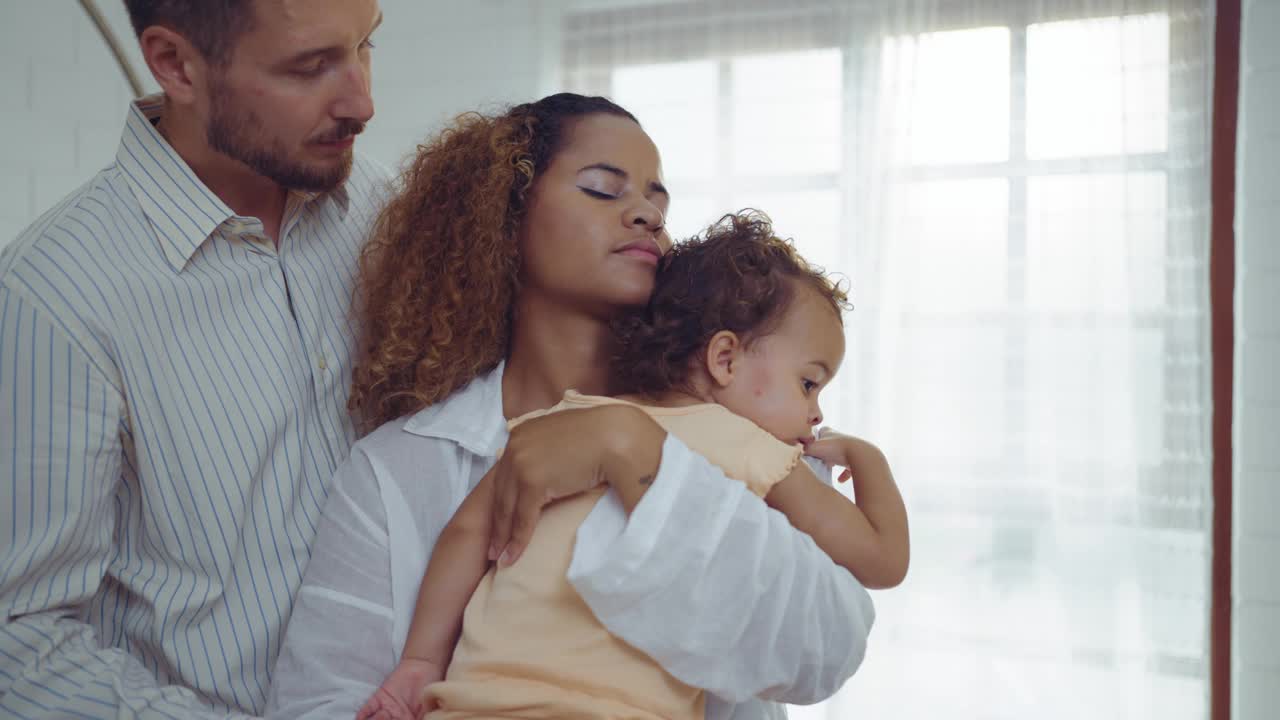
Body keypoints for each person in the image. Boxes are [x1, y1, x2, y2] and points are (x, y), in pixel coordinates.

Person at [266, 93, 878, 720]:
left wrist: (632, 451)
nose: (646, 215)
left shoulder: (757, 425)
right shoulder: (396, 468)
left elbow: (825, 651)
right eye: (602, 190)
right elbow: (317, 705)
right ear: (505, 220)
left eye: (656, 201)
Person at [360, 210, 910, 720]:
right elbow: (883, 561)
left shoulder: (564, 422)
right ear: (724, 359)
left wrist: (420, 663)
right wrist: (868, 457)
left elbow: (467, 533)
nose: (815, 415)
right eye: (809, 383)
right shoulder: (748, 446)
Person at [0, 1, 386, 716]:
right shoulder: (51, 296)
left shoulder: (381, 211)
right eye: (310, 67)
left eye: (366, 46)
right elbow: (17, 643)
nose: (363, 100)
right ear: (175, 64)